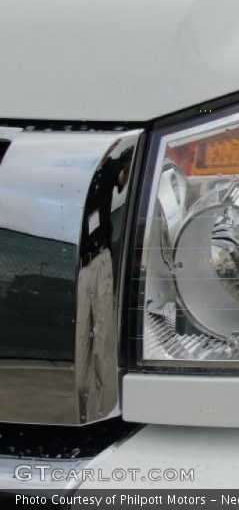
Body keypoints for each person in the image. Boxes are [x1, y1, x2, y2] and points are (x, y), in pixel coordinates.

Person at [75, 143, 132, 422]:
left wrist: (119, 164)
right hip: (82, 265)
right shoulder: (84, 176)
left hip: (99, 258)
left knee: (102, 337)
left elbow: (120, 171)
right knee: (81, 339)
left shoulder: (109, 168)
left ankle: (104, 411)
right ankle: (82, 411)